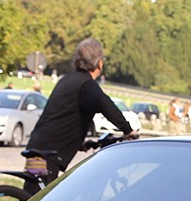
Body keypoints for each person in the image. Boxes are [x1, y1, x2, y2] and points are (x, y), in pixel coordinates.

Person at [23, 38, 134, 175]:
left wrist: (80, 143)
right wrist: (128, 130)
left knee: (33, 193)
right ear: (99, 63)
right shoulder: (86, 85)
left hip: (38, 147)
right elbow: (107, 106)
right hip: (49, 154)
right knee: (44, 194)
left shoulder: (68, 80)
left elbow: (64, 116)